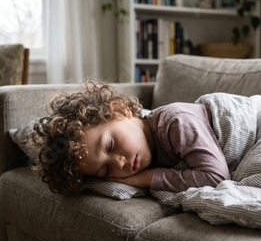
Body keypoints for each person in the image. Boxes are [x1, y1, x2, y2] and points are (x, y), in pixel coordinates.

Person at [27, 82, 230, 195]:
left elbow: (217, 178)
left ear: (119, 111)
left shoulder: (177, 122)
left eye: (109, 145)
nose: (118, 162)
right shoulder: (146, 148)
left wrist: (146, 178)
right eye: (106, 170)